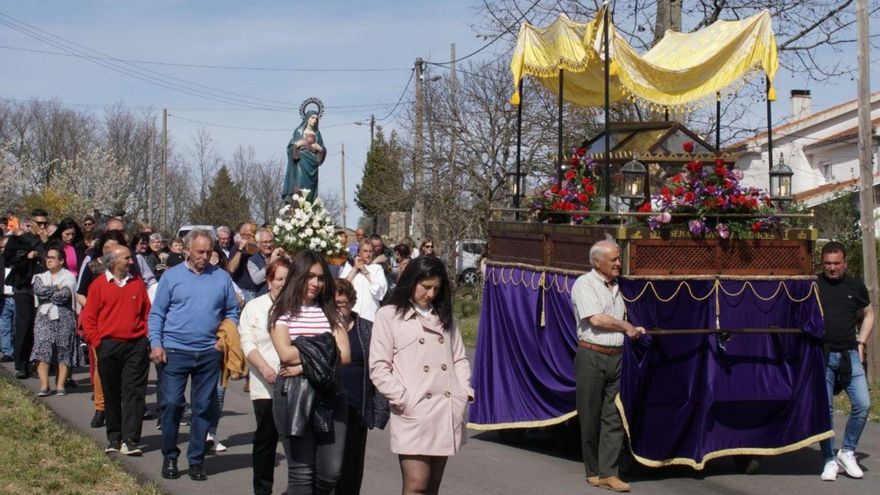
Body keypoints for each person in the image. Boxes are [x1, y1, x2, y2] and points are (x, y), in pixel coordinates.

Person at [369, 255, 473, 495]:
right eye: (426, 287)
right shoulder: (388, 315)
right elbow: (379, 366)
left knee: (432, 489)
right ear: (411, 281)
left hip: (445, 409)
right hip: (414, 411)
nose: (431, 294)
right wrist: (404, 399)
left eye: (436, 288)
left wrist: (463, 392)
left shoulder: (444, 315)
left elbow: (459, 358)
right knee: (416, 486)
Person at [148, 230, 239, 481]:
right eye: (200, 252)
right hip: (175, 351)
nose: (205, 256)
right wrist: (156, 344)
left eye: (209, 252)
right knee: (172, 405)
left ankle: (197, 460)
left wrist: (223, 340)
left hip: (209, 353)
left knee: (202, 409)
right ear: (187, 250)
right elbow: (157, 314)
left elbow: (232, 311)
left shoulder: (221, 278)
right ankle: (169, 455)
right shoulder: (172, 276)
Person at [269, 250, 351, 495]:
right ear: (298, 277)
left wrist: (304, 362)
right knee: (302, 475)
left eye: (321, 277)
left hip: (330, 394)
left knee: (330, 474)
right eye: (310, 276)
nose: (316, 283)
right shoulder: (281, 311)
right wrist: (326, 346)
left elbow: (344, 355)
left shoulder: (331, 313)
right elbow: (285, 353)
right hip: (294, 395)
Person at [571, 240, 645, 492]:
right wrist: (625, 326)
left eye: (618, 258)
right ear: (596, 261)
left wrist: (634, 328)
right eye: (613, 259)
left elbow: (624, 318)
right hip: (592, 356)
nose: (617, 263)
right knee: (590, 415)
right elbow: (597, 319)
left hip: (618, 356)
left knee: (614, 415)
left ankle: (608, 473)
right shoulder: (584, 284)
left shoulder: (619, 287)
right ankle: (592, 470)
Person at [80, 245, 151, 456]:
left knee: (134, 392)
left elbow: (147, 313)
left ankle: (130, 439)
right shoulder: (98, 285)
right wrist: (97, 343)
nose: (131, 261)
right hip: (108, 346)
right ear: (113, 261)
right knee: (111, 392)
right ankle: (114, 437)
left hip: (136, 345)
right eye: (126, 258)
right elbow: (89, 318)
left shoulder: (137, 283)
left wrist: (145, 337)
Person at [816, 242, 873, 481]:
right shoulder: (813, 285)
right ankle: (829, 460)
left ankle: (847, 452)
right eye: (828, 263)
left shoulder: (855, 285)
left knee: (863, 404)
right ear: (822, 263)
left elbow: (869, 313)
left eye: (836, 263)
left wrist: (861, 343)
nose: (832, 268)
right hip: (822, 355)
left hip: (850, 354)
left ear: (845, 263)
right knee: (825, 412)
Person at [240, 257, 290, 495]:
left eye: (288, 279)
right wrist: (264, 368)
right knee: (266, 438)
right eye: (279, 279)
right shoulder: (254, 307)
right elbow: (247, 341)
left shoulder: (297, 307)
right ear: (269, 280)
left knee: (295, 440)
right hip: (265, 382)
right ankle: (262, 489)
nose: (283, 283)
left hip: (293, 381)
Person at [335, 278, 389, 494]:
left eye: (343, 302)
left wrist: (380, 409)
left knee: (353, 465)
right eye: (335, 302)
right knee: (330, 467)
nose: (340, 306)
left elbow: (380, 368)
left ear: (351, 302)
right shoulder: (323, 326)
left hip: (358, 407)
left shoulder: (367, 328)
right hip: (330, 408)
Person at [77, 229, 130, 428]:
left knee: (125, 372)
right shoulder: (92, 267)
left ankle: (125, 409)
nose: (111, 251)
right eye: (107, 247)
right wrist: (93, 306)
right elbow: (80, 293)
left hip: (124, 328)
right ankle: (101, 408)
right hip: (101, 327)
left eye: (115, 247)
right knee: (102, 369)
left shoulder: (128, 268)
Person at [3, 208, 50, 379]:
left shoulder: (47, 241)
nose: (42, 226)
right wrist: (25, 256)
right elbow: (8, 259)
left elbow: (53, 259)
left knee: (41, 327)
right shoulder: (18, 239)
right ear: (31, 223)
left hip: (43, 287)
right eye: (39, 223)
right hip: (24, 287)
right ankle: (21, 364)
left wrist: (45, 243)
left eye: (45, 223)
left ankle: (38, 361)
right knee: (24, 324)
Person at [30, 244, 79, 396]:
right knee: (41, 349)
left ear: (61, 261)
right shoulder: (39, 277)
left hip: (64, 318)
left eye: (52, 258)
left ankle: (60, 385)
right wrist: (56, 287)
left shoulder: (69, 277)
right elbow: (39, 292)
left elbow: (63, 296)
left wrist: (49, 292)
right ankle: (44, 386)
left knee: (63, 350)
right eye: (47, 258)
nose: (49, 260)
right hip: (43, 317)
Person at [282, 110, 326, 203]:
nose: (315, 120)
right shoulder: (299, 131)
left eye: (317, 119)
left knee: (311, 191)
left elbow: (323, 150)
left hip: (312, 166)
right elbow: (290, 148)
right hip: (301, 163)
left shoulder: (317, 134)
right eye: (312, 118)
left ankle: (310, 210)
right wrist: (297, 145)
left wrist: (320, 149)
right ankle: (297, 210)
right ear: (307, 118)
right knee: (299, 186)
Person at [339, 241, 387, 322]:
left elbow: (380, 292)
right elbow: (340, 287)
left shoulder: (377, 268)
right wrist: (355, 269)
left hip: (369, 315)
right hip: (351, 313)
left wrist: (365, 272)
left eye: (370, 251)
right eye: (365, 251)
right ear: (359, 253)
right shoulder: (349, 266)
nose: (368, 254)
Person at [246, 228, 286, 300]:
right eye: (265, 242)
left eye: (270, 241)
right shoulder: (252, 260)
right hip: (263, 299)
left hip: (282, 297)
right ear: (258, 244)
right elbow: (256, 280)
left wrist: (285, 255)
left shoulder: (280, 254)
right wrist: (270, 263)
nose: (268, 245)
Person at [0, 236, 15, 362]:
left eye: (6, 246)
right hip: (4, 298)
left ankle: (16, 350)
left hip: (16, 297)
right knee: (4, 325)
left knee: (15, 326)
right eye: (1, 247)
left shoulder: (16, 261)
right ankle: (7, 351)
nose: (4, 249)